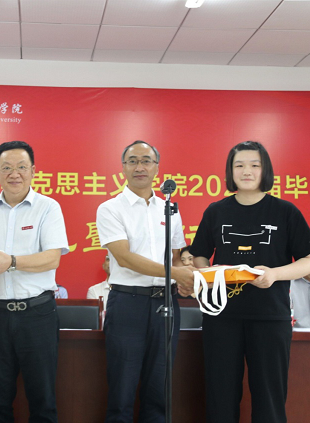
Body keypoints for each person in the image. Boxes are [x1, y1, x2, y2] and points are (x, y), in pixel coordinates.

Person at [187, 141, 310, 423]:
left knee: (270, 397)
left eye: (254, 165)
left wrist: (274, 274)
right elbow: (199, 255)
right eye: (239, 165)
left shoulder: (285, 211)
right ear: (230, 171)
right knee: (220, 395)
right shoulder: (215, 211)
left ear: (265, 170)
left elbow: (309, 262)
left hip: (270, 316)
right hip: (222, 316)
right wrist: (209, 274)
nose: (246, 171)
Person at [0, 140, 69, 423]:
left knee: (43, 401)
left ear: (33, 171)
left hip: (37, 315)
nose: (15, 174)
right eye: (7, 168)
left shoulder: (48, 207)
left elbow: (52, 258)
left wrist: (10, 262)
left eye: (22, 167)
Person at [96, 140, 195, 422]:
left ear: (157, 168)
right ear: (123, 168)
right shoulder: (110, 208)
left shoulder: (169, 208)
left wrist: (186, 279)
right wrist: (175, 273)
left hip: (166, 303)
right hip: (128, 303)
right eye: (133, 161)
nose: (140, 167)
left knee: (159, 390)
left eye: (146, 161)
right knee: (122, 389)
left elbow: (176, 256)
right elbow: (124, 258)